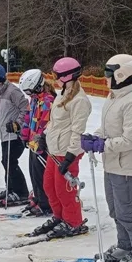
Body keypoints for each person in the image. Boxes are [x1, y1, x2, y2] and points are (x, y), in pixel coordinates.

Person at [81, 54, 132, 262]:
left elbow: (129, 140)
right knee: (115, 211)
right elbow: (107, 131)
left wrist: (103, 145)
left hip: (128, 167)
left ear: (121, 75)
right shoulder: (114, 98)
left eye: (108, 74)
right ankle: (125, 245)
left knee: (127, 213)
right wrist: (95, 137)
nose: (105, 78)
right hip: (113, 164)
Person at [29, 57, 92, 239]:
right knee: (49, 187)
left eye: (57, 75)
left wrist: (71, 155)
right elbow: (54, 122)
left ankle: (74, 222)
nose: (54, 78)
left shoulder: (79, 100)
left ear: (67, 76)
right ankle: (59, 217)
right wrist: (44, 136)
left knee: (65, 190)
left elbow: (77, 130)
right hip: (54, 151)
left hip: (66, 152)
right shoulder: (62, 94)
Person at [0, 63, 30, 208]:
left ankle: (21, 192)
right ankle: (11, 189)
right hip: (4, 135)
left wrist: (17, 124)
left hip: (16, 135)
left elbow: (26, 110)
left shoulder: (13, 91)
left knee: (10, 161)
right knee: (6, 162)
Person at [16, 69, 54, 217]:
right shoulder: (34, 100)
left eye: (29, 91)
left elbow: (45, 123)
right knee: (33, 172)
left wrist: (40, 139)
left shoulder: (48, 101)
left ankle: (46, 203)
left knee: (42, 175)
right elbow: (28, 118)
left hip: (42, 146)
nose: (28, 95)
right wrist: (24, 136)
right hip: (33, 144)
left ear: (37, 86)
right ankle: (38, 198)